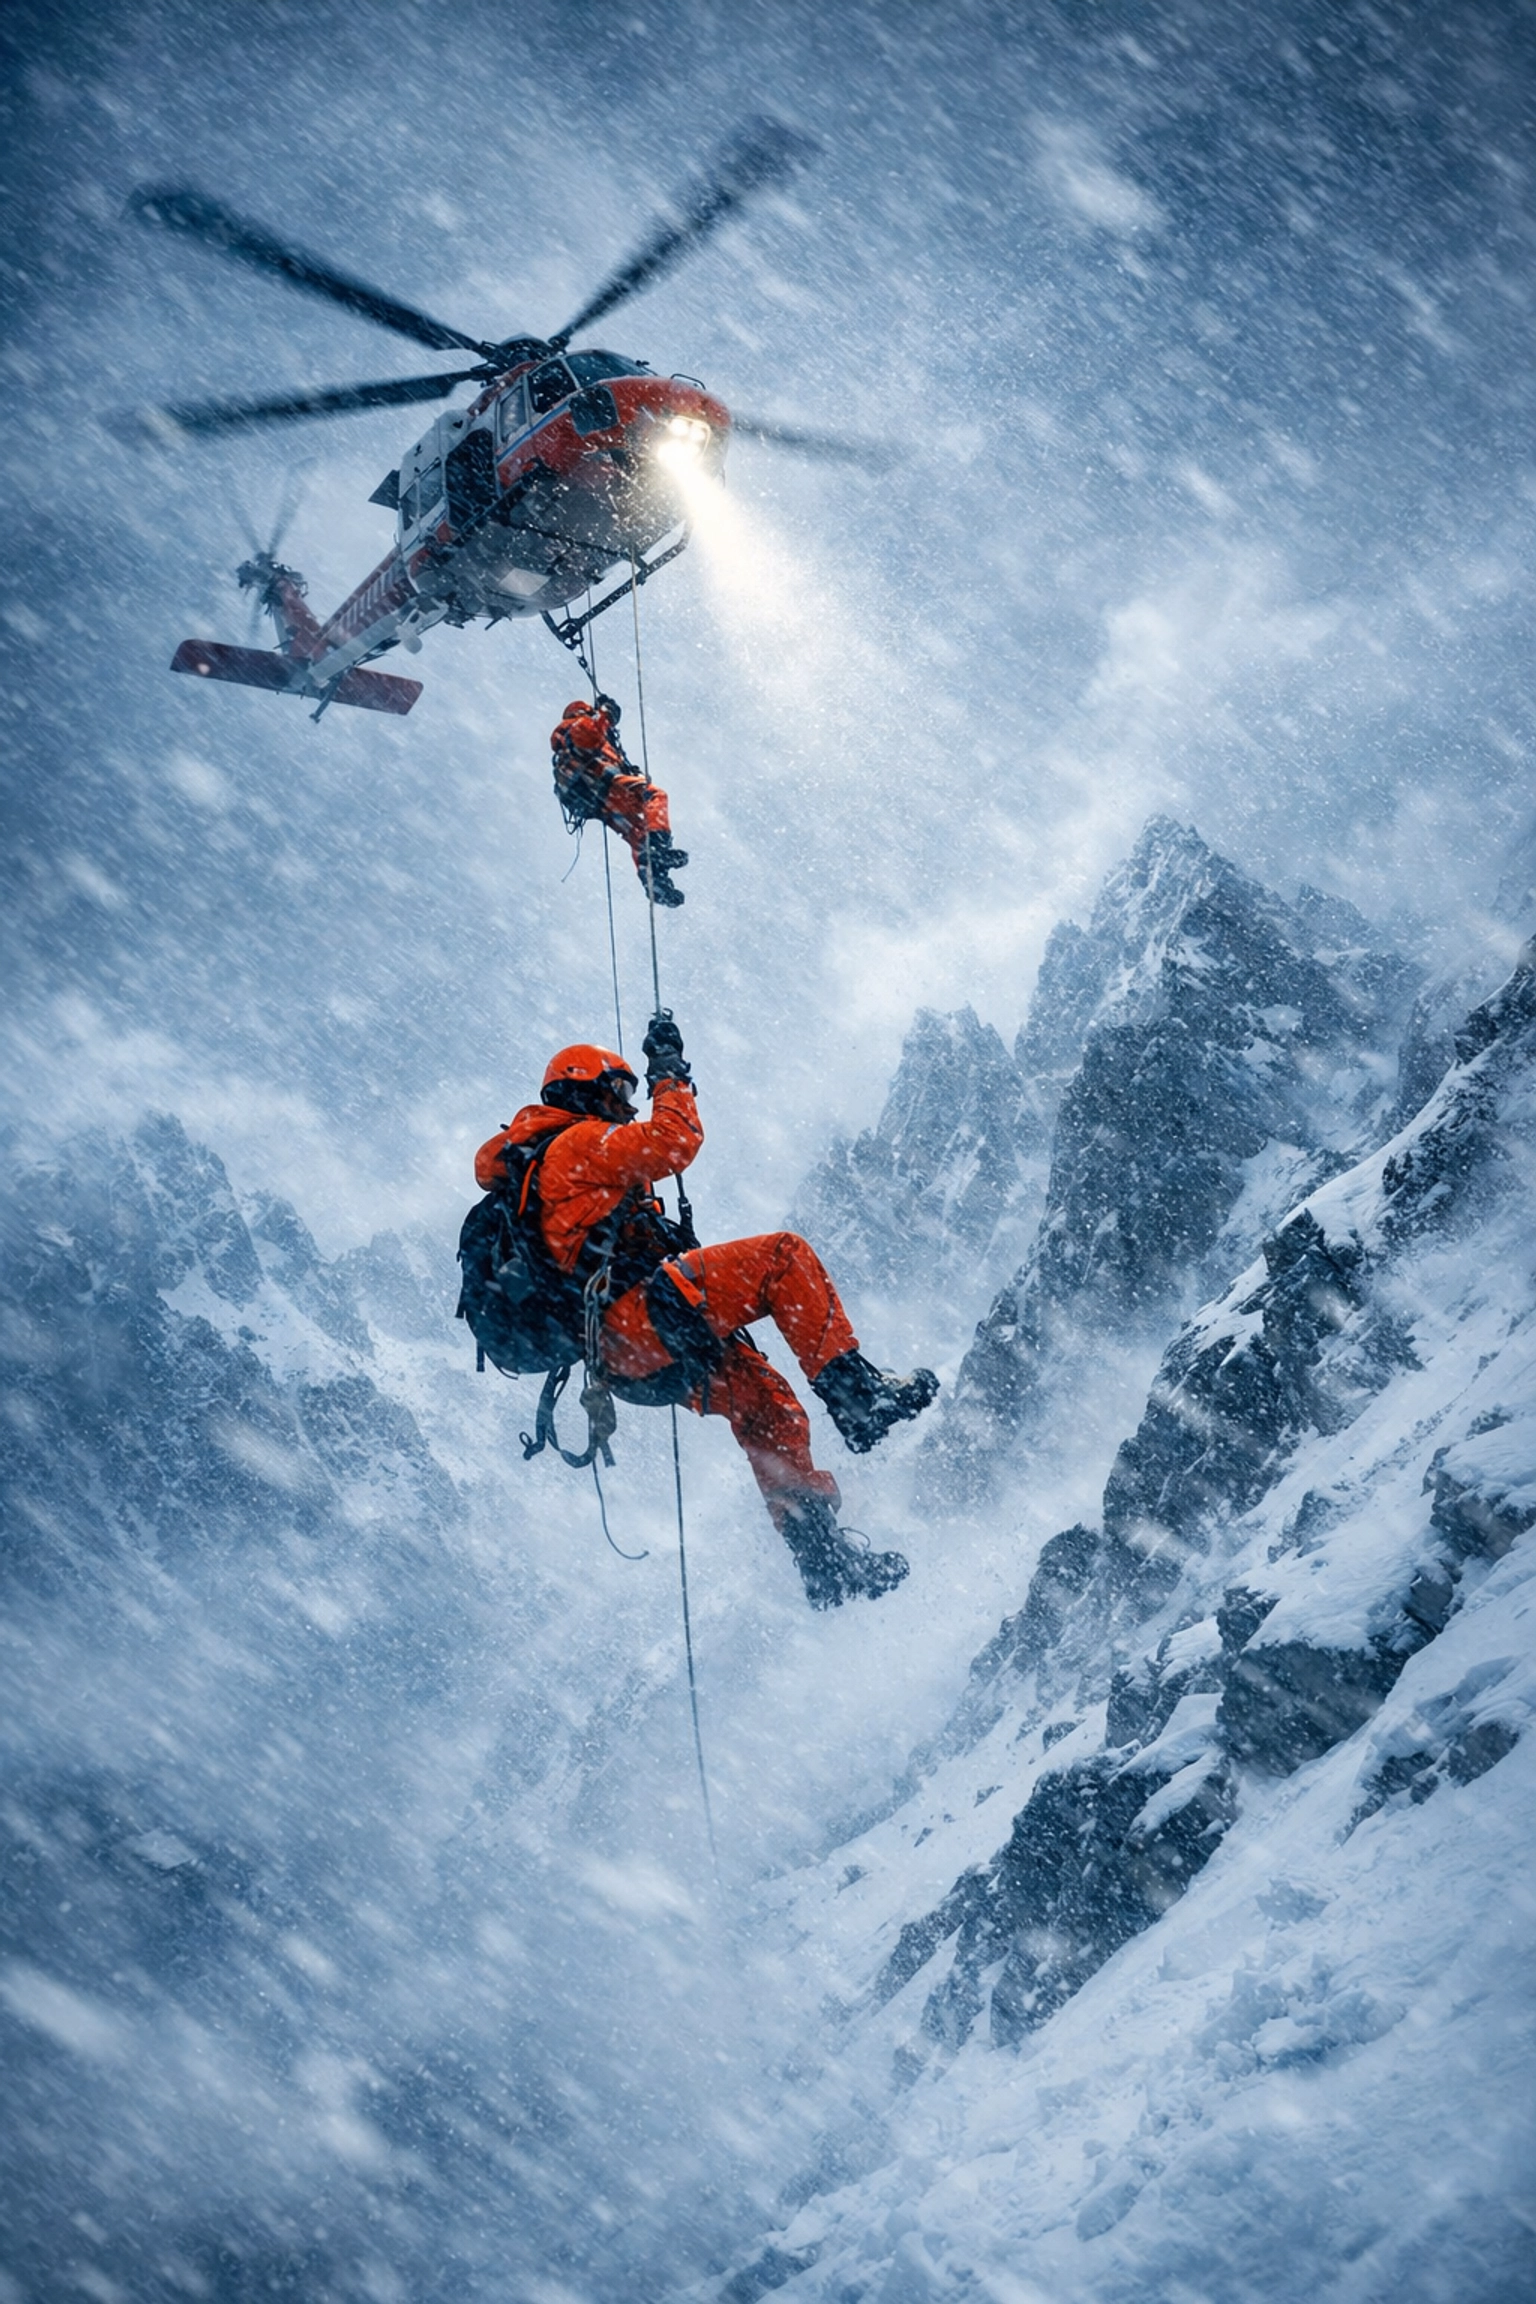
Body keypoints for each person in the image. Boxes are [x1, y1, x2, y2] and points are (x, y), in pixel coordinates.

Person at [474, 1014, 938, 1609]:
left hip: (626, 1356)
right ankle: (858, 1396)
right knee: (782, 1259)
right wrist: (669, 1074)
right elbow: (673, 1142)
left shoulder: (553, 1167)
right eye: (618, 1092)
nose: (625, 1106)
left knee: (767, 1405)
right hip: (637, 1318)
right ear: (585, 1089)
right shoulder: (577, 1144)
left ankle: (822, 1559)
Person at [551, 695, 689, 906]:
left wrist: (626, 768)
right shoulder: (578, 724)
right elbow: (589, 734)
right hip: (601, 782)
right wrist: (606, 713)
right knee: (655, 795)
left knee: (637, 833)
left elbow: (593, 746)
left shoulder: (567, 745)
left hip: (595, 799)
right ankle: (657, 850)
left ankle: (655, 882)